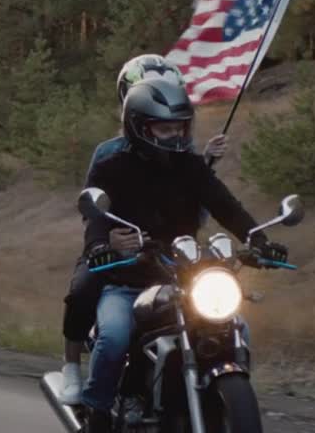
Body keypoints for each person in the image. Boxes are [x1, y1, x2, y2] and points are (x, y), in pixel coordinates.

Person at [76, 76, 287, 433]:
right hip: (129, 279)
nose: (174, 135)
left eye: (180, 127)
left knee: (236, 326)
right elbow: (95, 221)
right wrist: (103, 245)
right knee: (113, 337)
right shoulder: (112, 168)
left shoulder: (190, 167)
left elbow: (225, 205)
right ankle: (99, 413)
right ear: (140, 127)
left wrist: (258, 238)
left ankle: (219, 404)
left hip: (186, 276)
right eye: (164, 127)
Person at [57, 53, 228, 406]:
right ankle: (74, 368)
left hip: (175, 259)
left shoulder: (184, 154)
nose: (172, 133)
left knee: (226, 320)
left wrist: (208, 165)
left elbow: (195, 211)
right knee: (85, 289)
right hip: (122, 259)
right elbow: (94, 209)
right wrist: (106, 242)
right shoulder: (109, 156)